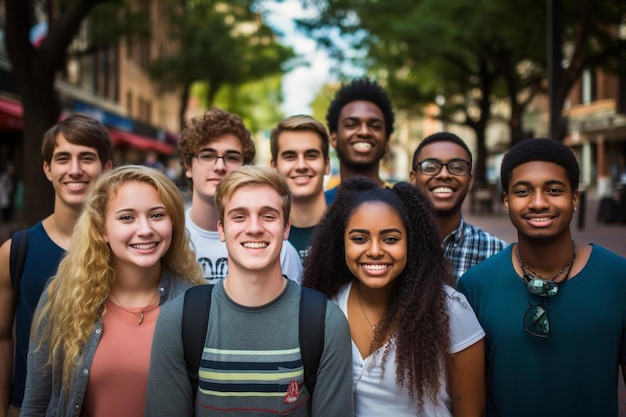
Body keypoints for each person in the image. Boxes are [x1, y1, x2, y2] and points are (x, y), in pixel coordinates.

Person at [145, 166, 353, 416]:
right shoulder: (178, 320)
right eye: (239, 216)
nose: (254, 228)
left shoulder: (325, 323)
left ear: (286, 228)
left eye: (268, 216)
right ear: (221, 229)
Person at [457, 138, 626, 416]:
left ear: (574, 198)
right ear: (507, 201)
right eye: (523, 191)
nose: (538, 202)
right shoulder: (475, 286)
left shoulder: (618, 278)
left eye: (554, 190)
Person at [20, 165, 204, 416]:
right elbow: (36, 404)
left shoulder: (197, 304)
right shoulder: (64, 299)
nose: (145, 229)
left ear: (173, 223)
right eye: (127, 217)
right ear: (101, 229)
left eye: (157, 215)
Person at [303, 177, 486, 416]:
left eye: (390, 239)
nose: (375, 251)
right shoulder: (326, 304)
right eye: (359, 239)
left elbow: (471, 411)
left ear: (411, 242)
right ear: (341, 243)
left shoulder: (449, 309)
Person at [0, 114, 113, 417]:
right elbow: (2, 338)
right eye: (63, 158)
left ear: (107, 169)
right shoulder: (16, 251)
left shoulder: (125, 249)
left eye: (86, 158)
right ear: (48, 169)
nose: (74, 170)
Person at [178, 108, 303, 283]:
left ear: (246, 165)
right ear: (188, 166)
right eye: (207, 156)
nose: (219, 166)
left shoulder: (277, 248)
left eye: (231, 157)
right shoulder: (170, 239)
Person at [410, 132, 507, 282]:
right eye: (430, 167)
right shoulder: (390, 245)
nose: (444, 174)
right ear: (413, 179)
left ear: (470, 181)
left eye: (456, 167)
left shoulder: (497, 253)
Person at [324, 78, 395, 205]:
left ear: (387, 141)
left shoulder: (405, 206)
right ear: (333, 138)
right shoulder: (317, 207)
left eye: (375, 126)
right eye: (351, 125)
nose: (364, 132)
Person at [270, 115, 330, 261]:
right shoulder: (263, 236)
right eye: (290, 157)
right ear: (274, 167)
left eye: (311, 155)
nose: (301, 166)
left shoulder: (351, 230)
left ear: (327, 165)